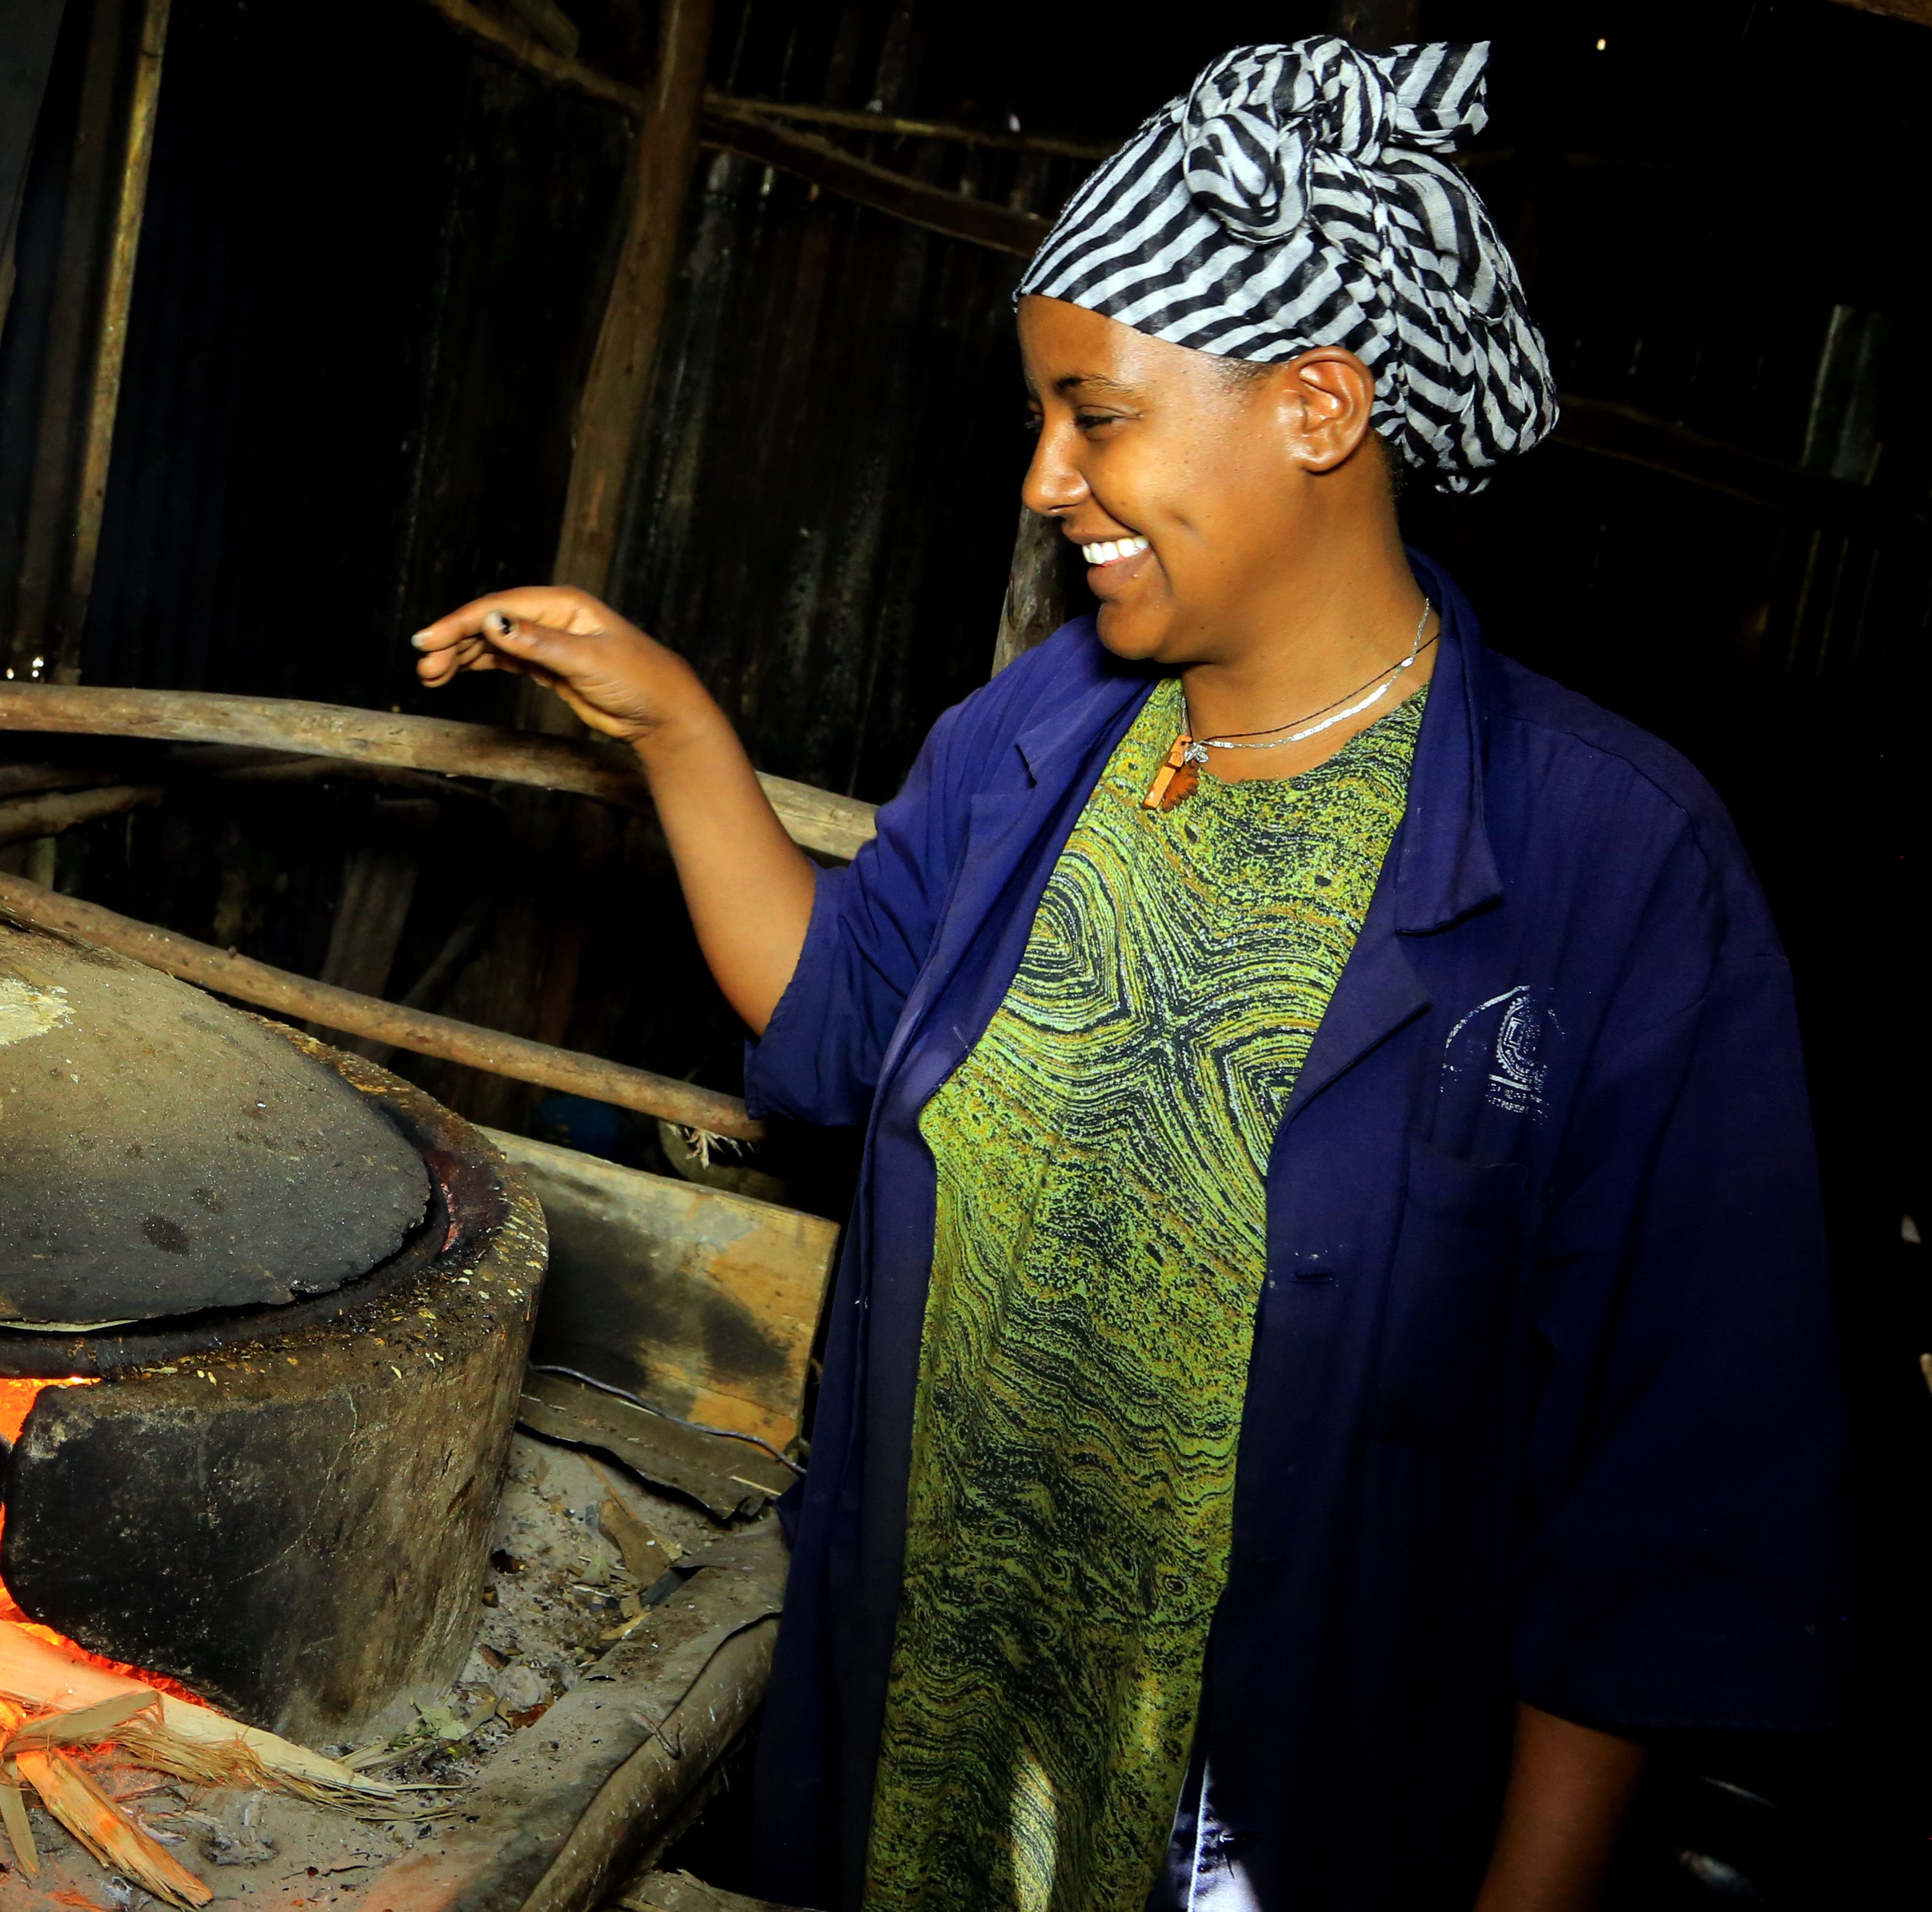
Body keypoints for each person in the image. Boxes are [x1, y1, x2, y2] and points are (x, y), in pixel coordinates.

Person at [410, 36, 1845, 1912]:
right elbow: (836, 1025)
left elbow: (1668, 1501)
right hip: (919, 1745)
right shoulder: (1045, 734)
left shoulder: (1611, 868)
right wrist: (673, 727)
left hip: (1273, 1819)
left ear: (1317, 406)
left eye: (1094, 414)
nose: (1041, 477)